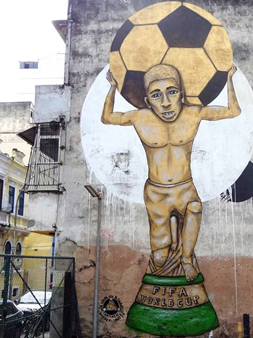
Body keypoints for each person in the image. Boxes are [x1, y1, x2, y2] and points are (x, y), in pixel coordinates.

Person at [103, 64, 241, 281]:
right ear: (148, 101)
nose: (166, 102)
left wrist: (230, 79)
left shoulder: (193, 114)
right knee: (159, 258)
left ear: (182, 96)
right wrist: (112, 87)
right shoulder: (140, 118)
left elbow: (233, 111)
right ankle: (168, 247)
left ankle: (187, 259)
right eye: (156, 95)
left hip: (185, 187)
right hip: (156, 194)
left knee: (195, 207)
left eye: (172, 92)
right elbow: (108, 117)